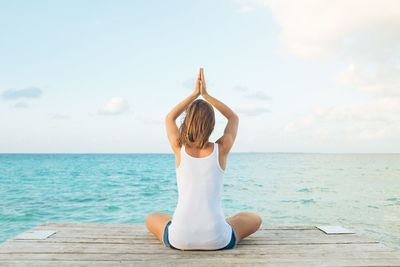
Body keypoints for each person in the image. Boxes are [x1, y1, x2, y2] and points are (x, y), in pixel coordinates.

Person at [145, 68, 262, 250]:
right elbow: (233, 117)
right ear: (212, 124)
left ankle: (185, 224)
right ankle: (223, 223)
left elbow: (170, 118)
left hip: (179, 239)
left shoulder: (178, 147)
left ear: (187, 121)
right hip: (217, 239)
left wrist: (194, 95)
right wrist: (206, 95)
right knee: (255, 218)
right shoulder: (222, 148)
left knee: (152, 217)